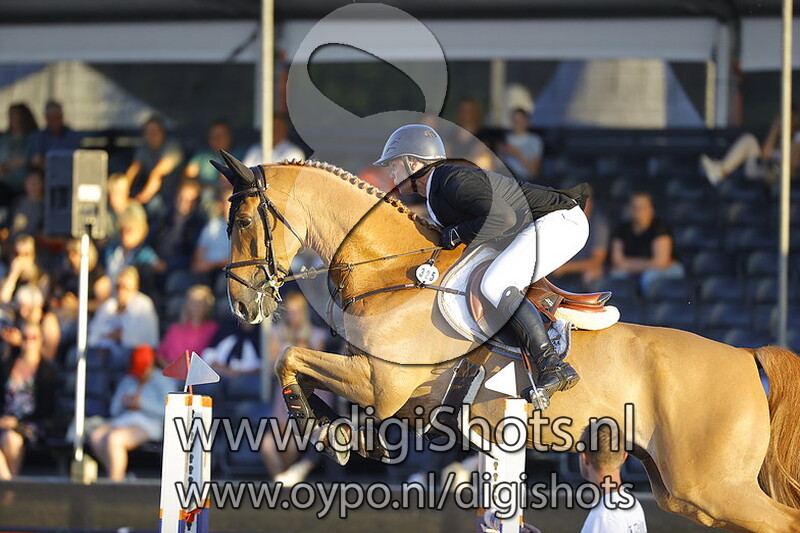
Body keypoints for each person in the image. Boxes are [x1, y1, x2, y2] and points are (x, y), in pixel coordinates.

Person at [374, 124, 589, 399]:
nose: (391, 174)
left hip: (559, 222)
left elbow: (503, 219)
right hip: (534, 227)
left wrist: (456, 233)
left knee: (496, 283)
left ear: (413, 163)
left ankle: (553, 365)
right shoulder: (436, 195)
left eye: (393, 165)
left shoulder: (452, 180)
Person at [261, 291, 328, 484]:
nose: (293, 316)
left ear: (303, 312)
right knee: (268, 444)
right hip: (284, 391)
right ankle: (281, 478)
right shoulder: (276, 333)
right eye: (289, 312)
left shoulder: (316, 335)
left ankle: (286, 477)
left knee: (291, 441)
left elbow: (317, 367)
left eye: (296, 311)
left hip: (310, 392)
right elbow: (273, 363)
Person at [89, 345, 170, 482]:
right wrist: (124, 402)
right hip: (124, 418)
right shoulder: (129, 379)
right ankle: (118, 476)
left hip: (149, 422)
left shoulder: (163, 380)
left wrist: (141, 403)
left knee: (114, 439)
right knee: (96, 436)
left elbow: (167, 411)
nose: (139, 375)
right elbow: (114, 410)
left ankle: (114, 483)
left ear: (150, 364)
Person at [0, 323, 57, 479]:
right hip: (4, 422)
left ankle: (10, 484)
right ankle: (9, 484)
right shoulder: (7, 365)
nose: (29, 342)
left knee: (11, 440)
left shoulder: (46, 371)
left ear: (41, 341)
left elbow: (47, 409)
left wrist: (17, 422)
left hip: (31, 424)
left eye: (34, 338)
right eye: (25, 337)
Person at [700, 111, 800, 186]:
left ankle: (719, 171)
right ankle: (720, 171)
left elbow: (791, 165)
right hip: (761, 171)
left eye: (787, 119)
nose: (783, 122)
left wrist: (793, 139)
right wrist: (775, 128)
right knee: (749, 140)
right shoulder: (777, 137)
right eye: (781, 119)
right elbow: (764, 155)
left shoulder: (797, 138)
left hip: (778, 178)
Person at [610, 192, 684, 292]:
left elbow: (661, 262)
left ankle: (651, 302)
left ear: (651, 209)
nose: (638, 211)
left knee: (649, 277)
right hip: (636, 269)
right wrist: (642, 265)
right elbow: (617, 261)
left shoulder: (660, 228)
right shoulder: (621, 229)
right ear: (629, 209)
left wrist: (629, 264)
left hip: (667, 269)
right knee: (616, 275)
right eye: (635, 207)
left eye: (643, 207)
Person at [87, 266, 159, 365]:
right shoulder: (109, 305)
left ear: (135, 287)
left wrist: (117, 336)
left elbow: (138, 339)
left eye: (125, 288)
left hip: (135, 355)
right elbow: (94, 331)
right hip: (106, 352)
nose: (121, 291)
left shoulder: (143, 304)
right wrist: (111, 334)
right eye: (118, 287)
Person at [124, 116, 183, 217]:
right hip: (153, 194)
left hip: (172, 195)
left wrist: (137, 201)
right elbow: (134, 169)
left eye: (155, 131)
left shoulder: (172, 148)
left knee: (153, 205)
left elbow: (156, 174)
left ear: (162, 132)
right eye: (148, 132)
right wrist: (123, 192)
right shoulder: (144, 148)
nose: (152, 134)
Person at [553, 191, 610, 288]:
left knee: (590, 275)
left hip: (585, 272)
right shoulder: (562, 220)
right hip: (561, 272)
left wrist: (565, 268)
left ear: (591, 203)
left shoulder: (599, 225)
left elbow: (597, 261)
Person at [104, 202, 163, 294]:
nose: (125, 235)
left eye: (129, 230)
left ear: (142, 231)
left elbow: (159, 268)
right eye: (122, 230)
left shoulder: (145, 255)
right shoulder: (111, 251)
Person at [148, 180, 206, 271]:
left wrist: (168, 265)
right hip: (155, 263)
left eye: (189, 201)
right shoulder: (164, 216)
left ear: (196, 203)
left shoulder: (198, 225)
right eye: (181, 198)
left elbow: (192, 257)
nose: (183, 203)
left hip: (179, 269)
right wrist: (153, 260)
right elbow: (148, 241)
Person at [157, 285, 218, 368]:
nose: (196, 307)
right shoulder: (175, 328)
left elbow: (212, 357)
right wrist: (171, 369)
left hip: (198, 372)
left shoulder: (213, 329)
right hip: (172, 371)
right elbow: (160, 355)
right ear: (187, 304)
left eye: (200, 303)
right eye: (193, 303)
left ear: (207, 306)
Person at [184, 120, 241, 203]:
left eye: (221, 135)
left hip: (228, 193)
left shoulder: (240, 154)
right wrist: (203, 186)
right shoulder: (202, 154)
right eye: (213, 136)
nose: (217, 139)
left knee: (229, 197)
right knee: (187, 193)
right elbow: (188, 176)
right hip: (204, 193)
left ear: (229, 136)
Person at [1, 284, 61, 363]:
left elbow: (49, 355)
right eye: (20, 307)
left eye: (27, 307)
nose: (22, 312)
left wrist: (23, 342)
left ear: (37, 306)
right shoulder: (21, 321)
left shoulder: (48, 321)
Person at [0, 103, 38, 205]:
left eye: (16, 116)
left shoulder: (34, 138)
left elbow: (36, 159)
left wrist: (20, 162)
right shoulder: (4, 139)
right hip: (4, 185)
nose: (13, 119)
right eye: (11, 116)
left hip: (26, 184)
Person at [0, 234, 49, 305]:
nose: (20, 258)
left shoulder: (41, 276)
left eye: (26, 254)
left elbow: (41, 304)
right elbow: (3, 299)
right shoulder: (6, 272)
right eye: (17, 254)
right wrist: (13, 275)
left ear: (33, 255)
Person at [31, 100, 82, 168]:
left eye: (56, 117)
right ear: (46, 118)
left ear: (61, 117)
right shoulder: (40, 137)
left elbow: (77, 158)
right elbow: (37, 159)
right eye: (51, 118)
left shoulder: (73, 136)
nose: (54, 121)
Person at [498, 108, 543, 182]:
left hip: (525, 180)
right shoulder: (504, 139)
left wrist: (517, 154)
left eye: (519, 120)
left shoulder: (534, 141)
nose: (516, 123)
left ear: (526, 121)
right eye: (514, 120)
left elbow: (534, 172)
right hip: (506, 179)